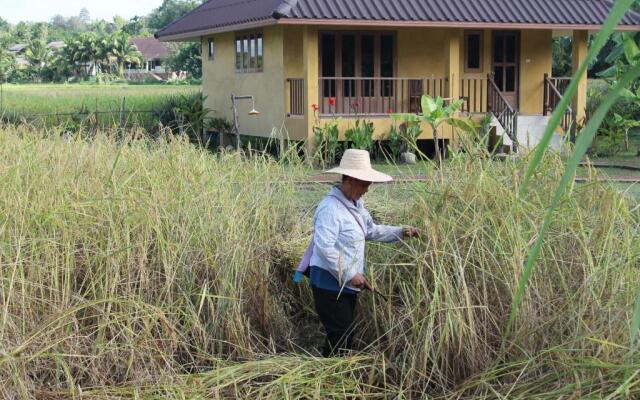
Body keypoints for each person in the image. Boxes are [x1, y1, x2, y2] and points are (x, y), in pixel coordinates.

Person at [307, 149, 419, 357]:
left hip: (347, 283)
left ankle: (334, 371)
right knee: (340, 334)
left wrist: (401, 231)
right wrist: (351, 274)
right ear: (350, 179)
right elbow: (324, 248)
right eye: (364, 184)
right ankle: (329, 376)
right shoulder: (330, 209)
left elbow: (370, 231)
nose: (367, 190)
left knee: (345, 333)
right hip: (328, 283)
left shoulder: (356, 205)